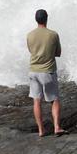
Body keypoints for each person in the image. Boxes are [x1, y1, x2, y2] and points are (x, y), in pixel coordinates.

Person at [26, 9, 66, 137]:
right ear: (46, 18)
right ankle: (57, 127)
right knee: (54, 100)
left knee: (36, 100)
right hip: (48, 71)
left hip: (33, 71)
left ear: (36, 19)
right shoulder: (53, 34)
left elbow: (31, 50)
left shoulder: (30, 35)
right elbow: (58, 53)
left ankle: (41, 130)